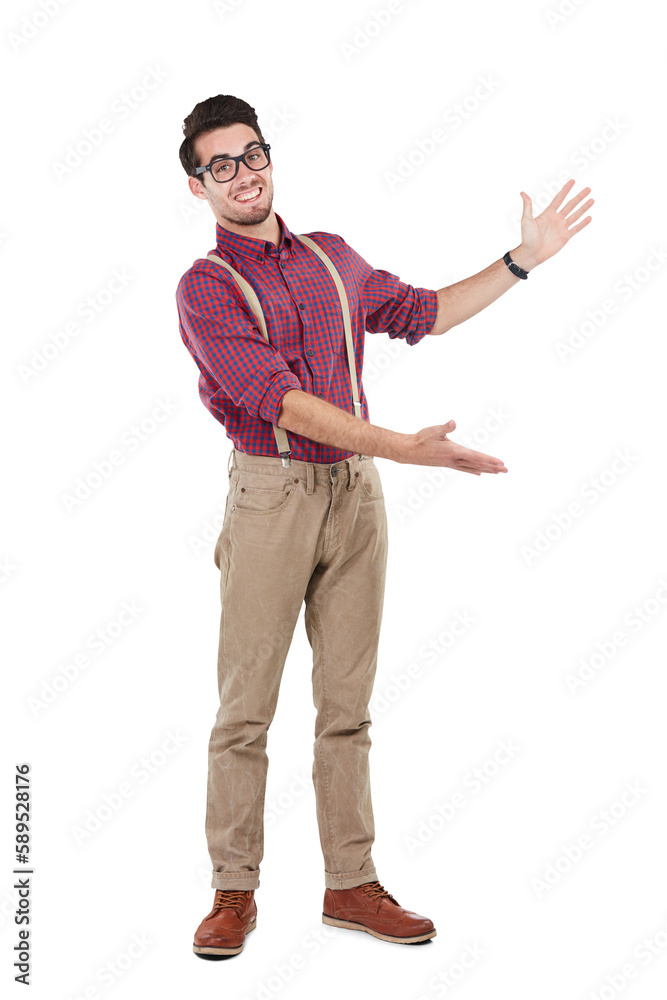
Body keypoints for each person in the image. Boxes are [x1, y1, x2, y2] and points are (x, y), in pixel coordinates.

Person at [176, 94, 593, 958]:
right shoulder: (206, 287)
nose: (243, 174)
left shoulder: (331, 255)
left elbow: (423, 313)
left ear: (267, 156)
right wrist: (402, 447)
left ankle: (349, 884)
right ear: (196, 186)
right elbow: (282, 403)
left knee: (347, 708)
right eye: (220, 166)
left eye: (250, 154)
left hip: (353, 499)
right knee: (244, 710)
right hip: (271, 497)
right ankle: (233, 890)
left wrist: (522, 260)